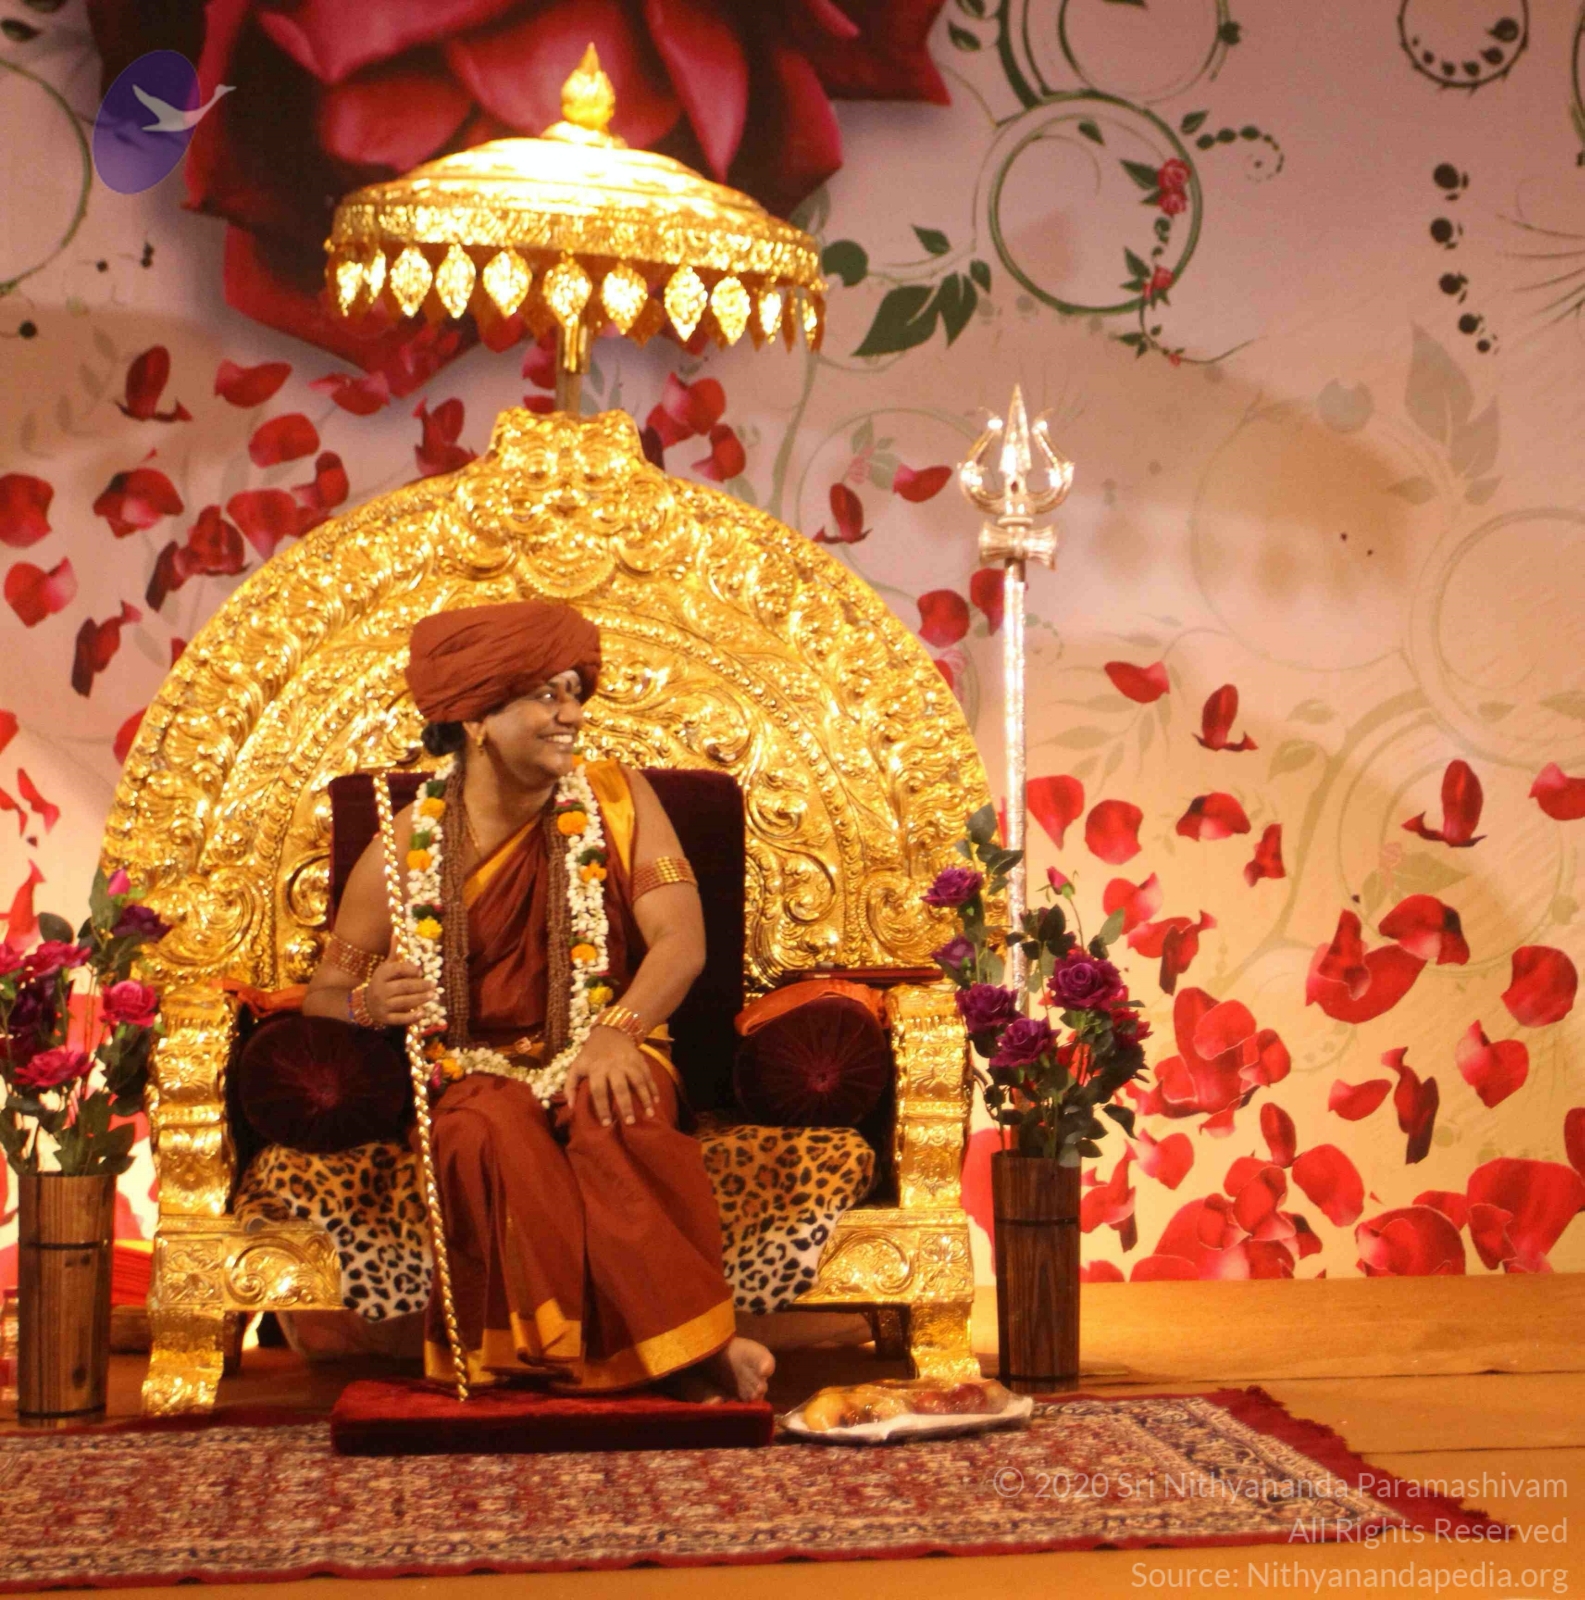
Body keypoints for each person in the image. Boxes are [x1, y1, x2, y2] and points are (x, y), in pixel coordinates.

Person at [302, 598, 774, 1404]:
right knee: (482, 1133)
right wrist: (369, 1005)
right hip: (475, 1073)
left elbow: (680, 943)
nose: (572, 715)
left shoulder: (618, 801)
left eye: (575, 693)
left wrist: (619, 1030)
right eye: (546, 696)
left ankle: (685, 1351)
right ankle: (605, 1359)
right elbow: (324, 997)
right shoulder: (404, 843)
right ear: (476, 718)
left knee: (611, 1107)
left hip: (610, 1041)